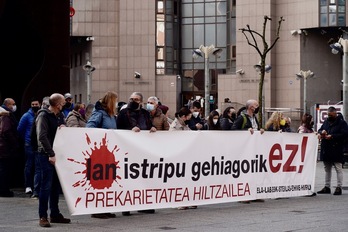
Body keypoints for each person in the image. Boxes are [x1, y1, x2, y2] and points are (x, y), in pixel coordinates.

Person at [117, 92, 156, 216]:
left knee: (144, 177)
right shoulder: (123, 113)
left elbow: (149, 124)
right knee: (128, 177)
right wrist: (130, 130)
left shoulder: (145, 113)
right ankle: (126, 206)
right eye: (131, 99)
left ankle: (144, 205)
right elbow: (117, 129)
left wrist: (152, 128)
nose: (133, 101)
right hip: (127, 150)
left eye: (136, 99)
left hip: (143, 150)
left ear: (141, 101)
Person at [35, 93, 71, 227]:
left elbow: (62, 130)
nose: (65, 104)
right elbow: (42, 136)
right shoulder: (43, 115)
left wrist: (63, 128)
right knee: (46, 186)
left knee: (55, 186)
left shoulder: (59, 116)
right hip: (45, 155)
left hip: (57, 154)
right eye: (63, 102)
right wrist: (50, 153)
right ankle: (43, 216)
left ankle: (55, 214)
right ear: (57, 104)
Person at [85, 91, 118, 219]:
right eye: (115, 101)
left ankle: (105, 208)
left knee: (107, 181)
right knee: (99, 181)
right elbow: (90, 127)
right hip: (100, 151)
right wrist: (104, 134)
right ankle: (97, 209)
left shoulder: (111, 115)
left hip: (108, 152)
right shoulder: (100, 113)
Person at [317, 106, 348, 196]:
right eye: (328, 115)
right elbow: (320, 129)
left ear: (335, 113)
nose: (329, 116)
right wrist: (321, 132)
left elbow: (344, 134)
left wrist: (332, 136)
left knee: (338, 168)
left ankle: (339, 187)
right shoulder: (326, 122)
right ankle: (327, 186)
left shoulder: (342, 123)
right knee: (327, 169)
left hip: (336, 148)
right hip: (327, 148)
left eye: (331, 115)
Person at [17, 97, 41, 198]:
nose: (35, 106)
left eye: (36, 104)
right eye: (33, 105)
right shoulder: (26, 116)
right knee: (29, 165)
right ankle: (28, 186)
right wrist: (27, 139)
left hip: (38, 144)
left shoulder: (41, 115)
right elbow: (20, 129)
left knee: (37, 166)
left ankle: (36, 187)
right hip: (29, 144)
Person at [0, 98, 19, 197]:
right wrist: (14, 142)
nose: (14, 106)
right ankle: (4, 190)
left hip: (3, 147)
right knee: (5, 170)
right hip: (5, 148)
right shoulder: (6, 115)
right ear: (8, 105)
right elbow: (6, 130)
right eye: (13, 104)